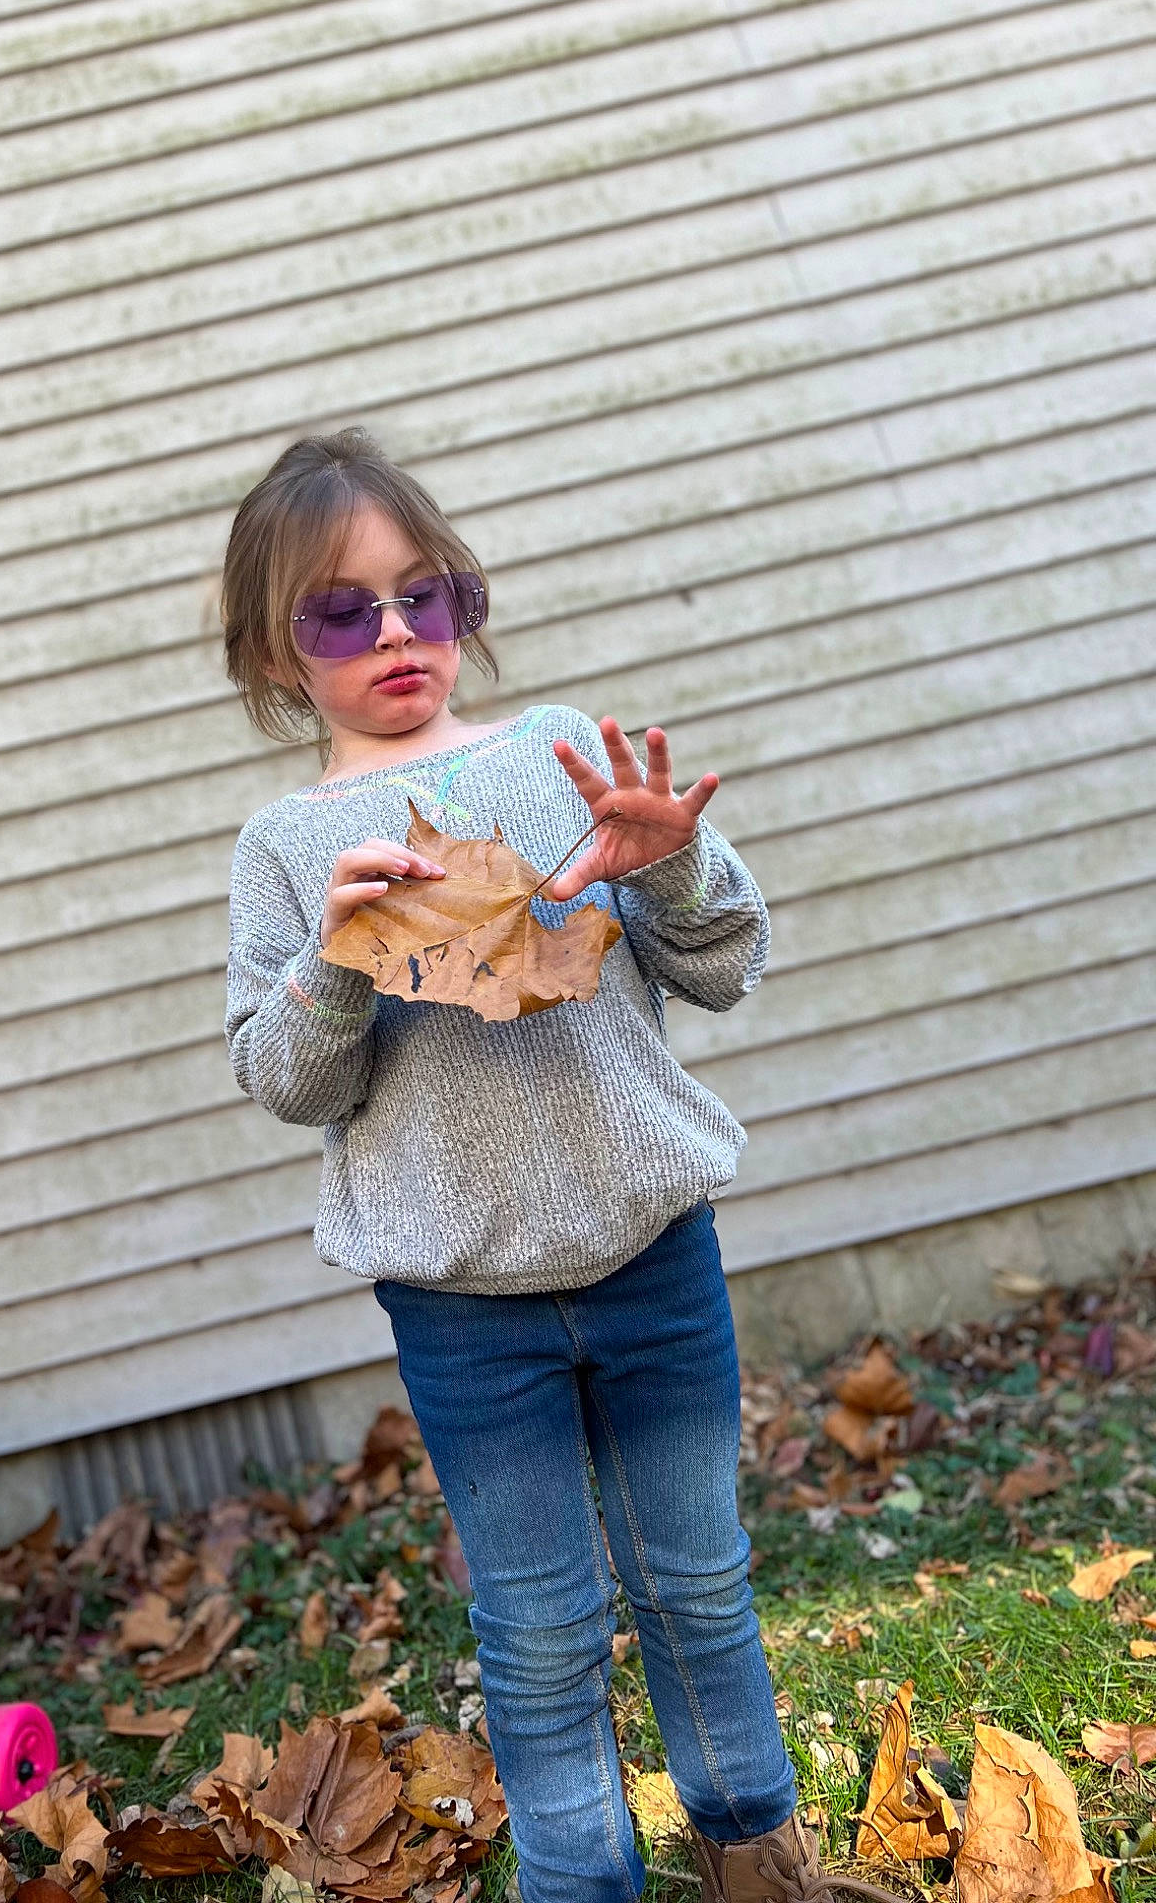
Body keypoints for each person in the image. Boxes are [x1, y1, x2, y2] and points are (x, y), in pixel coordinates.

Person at [220, 427, 890, 1903]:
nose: (395, 634)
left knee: (698, 1582)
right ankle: (581, 1884)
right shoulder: (285, 853)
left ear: (463, 602)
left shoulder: (556, 760)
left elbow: (723, 964)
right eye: (341, 612)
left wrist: (670, 863)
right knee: (538, 1629)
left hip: (652, 1259)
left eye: (425, 594)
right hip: (464, 1309)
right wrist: (333, 964)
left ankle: (756, 1858)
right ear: (275, 654)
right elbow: (286, 1084)